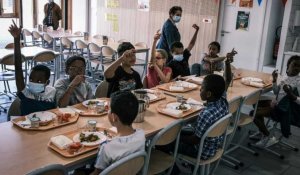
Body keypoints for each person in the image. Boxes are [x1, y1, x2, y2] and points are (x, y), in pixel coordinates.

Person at [90, 91, 146, 175]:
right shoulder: (141, 135)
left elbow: (97, 173)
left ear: (114, 117)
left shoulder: (106, 148)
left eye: (109, 109)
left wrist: (102, 151)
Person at [8, 20, 56, 116]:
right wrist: (17, 40)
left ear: (47, 82)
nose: (33, 82)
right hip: (28, 126)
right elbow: (18, 68)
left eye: (39, 81)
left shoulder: (52, 92)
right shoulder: (26, 93)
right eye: (31, 79)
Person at [254, 55, 300, 147]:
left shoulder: (299, 82)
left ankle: (268, 136)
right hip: (276, 104)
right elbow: (276, 92)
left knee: (254, 114)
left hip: (284, 110)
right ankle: (262, 131)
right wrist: (274, 80)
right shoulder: (285, 77)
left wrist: (291, 95)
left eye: (299, 66)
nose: (297, 68)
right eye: (294, 64)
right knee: (255, 104)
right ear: (288, 65)